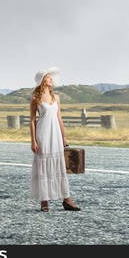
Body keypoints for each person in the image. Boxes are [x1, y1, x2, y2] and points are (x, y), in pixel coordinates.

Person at [29, 66, 81, 212]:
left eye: (51, 78)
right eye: (48, 77)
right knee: (43, 165)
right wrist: (33, 140)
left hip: (56, 134)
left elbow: (59, 118)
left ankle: (67, 199)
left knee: (59, 166)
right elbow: (32, 120)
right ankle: (44, 200)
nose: (51, 79)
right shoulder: (35, 98)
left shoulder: (56, 97)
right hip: (42, 134)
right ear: (42, 80)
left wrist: (64, 138)